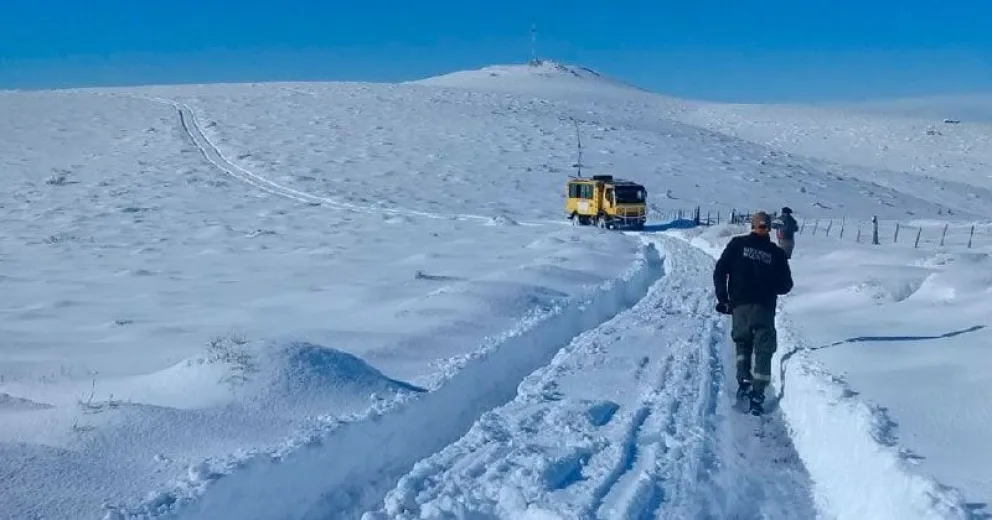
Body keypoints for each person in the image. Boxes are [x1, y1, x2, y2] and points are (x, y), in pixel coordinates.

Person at [713, 211, 794, 415]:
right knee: (764, 349)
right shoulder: (776, 253)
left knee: (743, 344)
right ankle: (758, 394)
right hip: (764, 308)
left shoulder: (737, 245)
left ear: (752, 226)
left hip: (739, 306)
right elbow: (786, 285)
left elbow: (720, 269)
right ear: (769, 229)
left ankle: (744, 381)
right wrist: (769, 283)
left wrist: (723, 298)